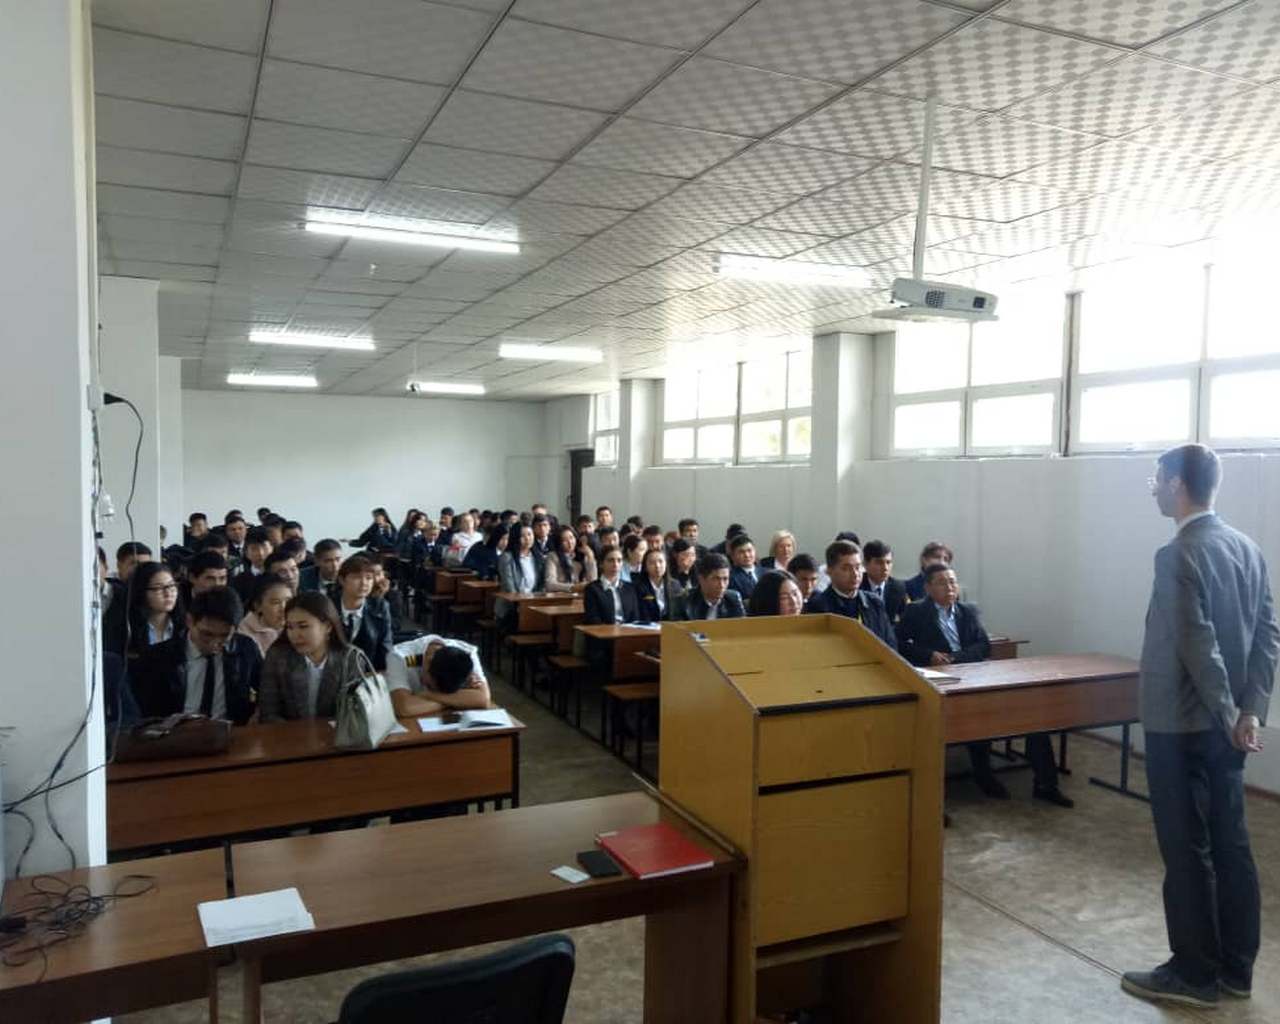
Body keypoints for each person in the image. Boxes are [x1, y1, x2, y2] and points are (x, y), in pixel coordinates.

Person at [1122, 445, 1279, 1010]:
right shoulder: (1247, 548)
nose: (1154, 489)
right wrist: (1249, 711)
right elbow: (1268, 636)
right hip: (1227, 727)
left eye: (1157, 480)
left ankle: (1193, 974)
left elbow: (1197, 644)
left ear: (1177, 484)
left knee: (1187, 849)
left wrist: (1227, 713)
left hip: (1182, 725)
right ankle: (1236, 969)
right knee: (1231, 843)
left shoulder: (1177, 554)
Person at [898, 563, 1070, 807]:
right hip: (940, 682)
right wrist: (928, 655)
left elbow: (983, 645)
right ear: (927, 587)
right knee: (972, 721)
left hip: (974, 675)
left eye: (952, 581)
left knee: (1033, 714)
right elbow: (900, 643)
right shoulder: (916, 611)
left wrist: (958, 657)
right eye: (942, 582)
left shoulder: (968, 611)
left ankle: (1046, 785)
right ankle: (981, 775)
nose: (950, 587)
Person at [127, 586, 260, 724]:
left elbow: (264, 687)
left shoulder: (245, 650)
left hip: (230, 730)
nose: (214, 643)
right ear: (189, 621)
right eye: (207, 634)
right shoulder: (158, 657)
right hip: (174, 731)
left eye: (224, 636)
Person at [258, 592, 364, 721]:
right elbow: (268, 712)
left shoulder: (351, 658)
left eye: (303, 626)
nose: (295, 634)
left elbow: (353, 713)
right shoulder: (278, 656)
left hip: (335, 732)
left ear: (327, 626)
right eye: (290, 627)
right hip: (287, 732)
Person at [804, 540, 895, 648]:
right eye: (846, 569)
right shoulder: (817, 607)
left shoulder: (874, 602)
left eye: (858, 567)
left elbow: (890, 645)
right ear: (829, 571)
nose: (855, 574)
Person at [385, 633, 492, 718]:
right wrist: (460, 701)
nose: (437, 693)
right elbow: (404, 708)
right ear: (427, 663)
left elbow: (483, 699)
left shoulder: (466, 654)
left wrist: (427, 695)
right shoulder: (399, 657)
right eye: (431, 688)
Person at [330, 554, 394, 671]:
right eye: (356, 577)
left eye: (369, 578)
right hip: (332, 672)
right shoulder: (328, 605)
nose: (364, 583)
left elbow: (385, 646)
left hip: (368, 672)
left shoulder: (380, 607)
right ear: (342, 580)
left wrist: (380, 674)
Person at [112, 561, 183, 656]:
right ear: (141, 592)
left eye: (171, 586)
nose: (168, 593)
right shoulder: (127, 630)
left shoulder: (185, 627)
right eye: (158, 588)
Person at [676, 553, 746, 621]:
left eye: (725, 579)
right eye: (716, 579)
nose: (722, 585)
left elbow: (741, 626)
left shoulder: (733, 599)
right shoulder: (684, 602)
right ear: (701, 579)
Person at [497, 523, 543, 623]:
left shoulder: (538, 557)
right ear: (515, 538)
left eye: (529, 534)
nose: (527, 539)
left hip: (532, 604)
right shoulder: (507, 557)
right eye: (522, 536)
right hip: (511, 608)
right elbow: (509, 587)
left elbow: (541, 585)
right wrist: (521, 604)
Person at [237, 573, 292, 656]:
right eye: (276, 602)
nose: (284, 608)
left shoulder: (300, 624)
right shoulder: (244, 636)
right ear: (258, 606)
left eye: (288, 601)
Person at [583, 546, 639, 625]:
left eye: (619, 560)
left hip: (627, 631)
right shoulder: (592, 589)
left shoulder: (630, 588)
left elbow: (635, 618)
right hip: (603, 631)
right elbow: (593, 619)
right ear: (601, 564)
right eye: (610, 560)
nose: (615, 564)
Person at [860, 539, 909, 624]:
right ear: (865, 564)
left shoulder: (898, 588)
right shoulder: (857, 586)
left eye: (888, 562)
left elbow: (905, 620)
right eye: (879, 563)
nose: (885, 568)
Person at [634, 547, 683, 623]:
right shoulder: (638, 586)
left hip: (671, 626)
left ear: (666, 564)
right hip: (648, 626)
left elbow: (679, 611)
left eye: (661, 561)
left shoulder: (675, 584)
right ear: (645, 566)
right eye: (652, 563)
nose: (657, 566)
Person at [544, 525, 597, 593]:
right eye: (565, 540)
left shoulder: (582, 555)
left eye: (571, 538)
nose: (570, 542)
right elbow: (550, 584)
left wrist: (590, 556)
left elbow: (593, 581)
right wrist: (573, 587)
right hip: (561, 596)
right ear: (559, 542)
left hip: (581, 596)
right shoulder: (552, 556)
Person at [728, 534, 761, 599]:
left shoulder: (768, 572)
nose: (747, 555)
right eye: (741, 552)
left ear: (755, 551)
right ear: (733, 556)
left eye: (749, 550)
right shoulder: (730, 578)